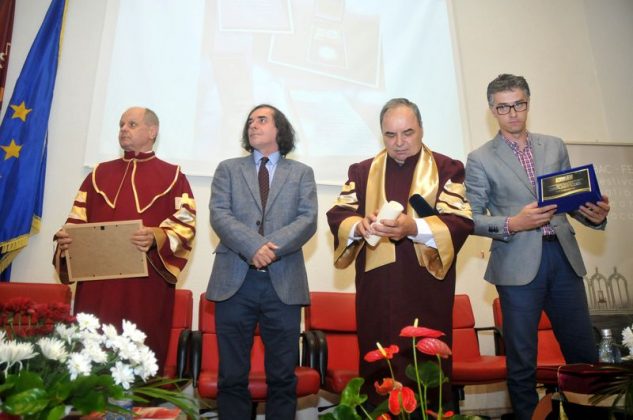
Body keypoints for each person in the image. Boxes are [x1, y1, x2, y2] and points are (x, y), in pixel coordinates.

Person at [465, 74, 610, 420]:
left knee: (584, 355)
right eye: (504, 107)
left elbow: (571, 201)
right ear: (492, 110)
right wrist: (513, 223)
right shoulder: (480, 158)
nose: (513, 112)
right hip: (516, 265)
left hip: (563, 257)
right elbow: (471, 218)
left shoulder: (554, 146)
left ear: (528, 103)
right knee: (522, 362)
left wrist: (594, 214)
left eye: (519, 104)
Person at [326, 98, 474, 409]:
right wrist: (359, 226)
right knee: (379, 367)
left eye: (408, 133)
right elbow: (339, 214)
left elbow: (460, 221)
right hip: (376, 291)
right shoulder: (362, 171)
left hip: (426, 289)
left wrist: (413, 227)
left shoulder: (447, 169)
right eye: (390, 135)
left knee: (425, 368)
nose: (399, 143)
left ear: (421, 129)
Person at [54, 107, 196, 372]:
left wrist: (156, 236)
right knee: (92, 352)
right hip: (97, 285)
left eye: (132, 124)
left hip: (145, 285)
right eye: (121, 124)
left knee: (139, 357)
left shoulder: (174, 177)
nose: (123, 129)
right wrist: (67, 240)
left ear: (152, 131)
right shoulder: (98, 174)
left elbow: (185, 224)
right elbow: (76, 219)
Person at [206, 104, 317, 419]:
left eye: (262, 120)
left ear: (279, 129)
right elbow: (219, 214)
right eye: (250, 121)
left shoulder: (302, 173)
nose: (253, 125)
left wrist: (270, 249)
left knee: (283, 377)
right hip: (234, 282)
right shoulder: (228, 169)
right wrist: (254, 246)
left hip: (283, 283)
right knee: (231, 376)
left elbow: (307, 220)